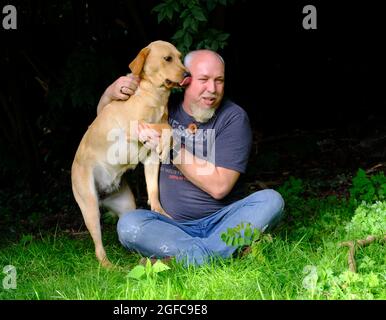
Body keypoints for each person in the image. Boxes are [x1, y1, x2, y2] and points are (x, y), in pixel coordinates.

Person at [96, 49, 284, 266]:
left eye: (219, 81)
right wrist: (109, 95)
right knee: (129, 223)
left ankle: (182, 256)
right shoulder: (163, 110)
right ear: (185, 80)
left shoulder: (233, 118)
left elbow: (219, 187)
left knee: (271, 201)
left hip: (223, 220)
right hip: (170, 224)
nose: (212, 89)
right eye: (203, 80)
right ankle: (218, 252)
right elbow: (109, 130)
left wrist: (172, 148)